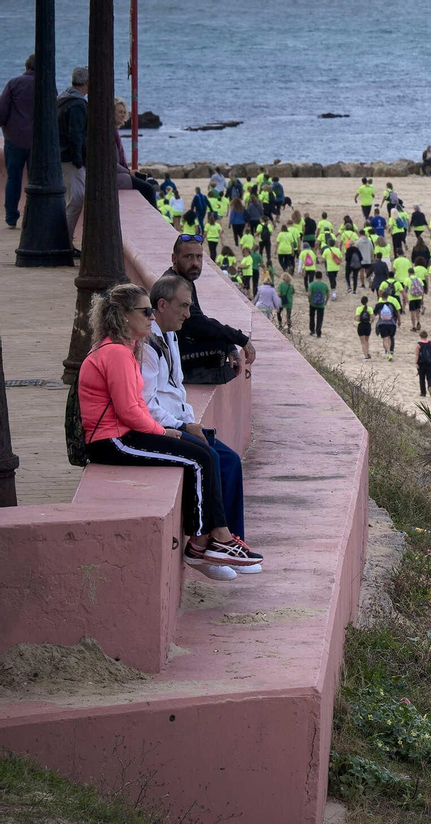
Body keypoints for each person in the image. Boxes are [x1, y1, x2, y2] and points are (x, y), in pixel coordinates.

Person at [77, 283, 264, 577]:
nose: (152, 317)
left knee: (202, 452)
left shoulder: (126, 349)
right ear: (125, 316)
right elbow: (130, 410)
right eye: (145, 311)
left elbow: (135, 405)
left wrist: (166, 431)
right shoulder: (115, 353)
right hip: (112, 440)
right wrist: (163, 432)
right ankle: (212, 540)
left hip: (124, 433)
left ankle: (205, 543)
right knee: (198, 459)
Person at [139, 275, 254, 581]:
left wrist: (191, 419)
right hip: (165, 426)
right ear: (162, 305)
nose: (188, 314)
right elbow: (146, 402)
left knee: (229, 461)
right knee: (211, 459)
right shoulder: (147, 344)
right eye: (184, 306)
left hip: (182, 420)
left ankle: (223, 545)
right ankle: (203, 543)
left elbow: (177, 389)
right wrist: (182, 425)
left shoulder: (171, 335)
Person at [0, 54, 34, 228]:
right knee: (36, 180)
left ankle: (11, 216)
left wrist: (6, 129)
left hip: (14, 139)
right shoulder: (46, 84)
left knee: (14, 178)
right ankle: (33, 215)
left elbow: (2, 111)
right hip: (38, 142)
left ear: (26, 66)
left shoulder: (13, 83)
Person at [57, 66, 88, 250]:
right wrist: (79, 161)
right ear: (87, 83)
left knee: (71, 199)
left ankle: (64, 242)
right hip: (71, 159)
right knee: (76, 200)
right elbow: (76, 135)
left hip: (61, 157)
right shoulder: (78, 105)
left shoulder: (62, 100)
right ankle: (64, 244)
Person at [415, 329, 431, 398]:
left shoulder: (418, 344)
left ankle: (423, 392)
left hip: (422, 363)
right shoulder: (430, 343)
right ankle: (430, 386)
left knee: (422, 378)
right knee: (430, 377)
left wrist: (416, 363)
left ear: (420, 336)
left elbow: (417, 355)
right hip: (430, 362)